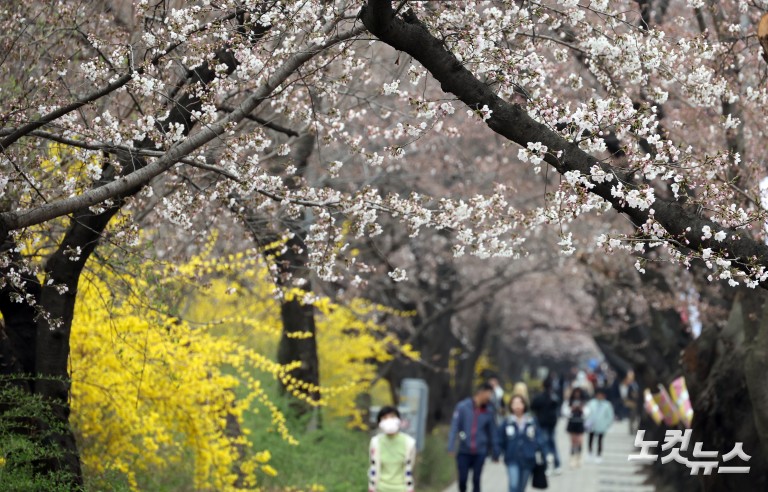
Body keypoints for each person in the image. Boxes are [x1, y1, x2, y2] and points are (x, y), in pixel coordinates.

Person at [448, 383, 499, 492]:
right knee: (462, 479)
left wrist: (495, 451)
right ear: (481, 392)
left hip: (480, 451)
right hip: (464, 450)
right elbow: (455, 427)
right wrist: (451, 445)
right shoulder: (462, 407)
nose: (489, 398)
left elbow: (492, 432)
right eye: (488, 394)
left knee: (476, 479)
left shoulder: (489, 411)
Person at [494, 394, 545, 492]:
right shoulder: (507, 422)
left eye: (519, 403)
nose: (517, 406)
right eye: (514, 403)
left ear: (524, 405)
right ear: (511, 406)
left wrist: (539, 449)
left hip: (528, 458)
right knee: (513, 484)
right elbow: (499, 438)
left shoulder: (531, 421)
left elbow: (539, 436)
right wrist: (497, 452)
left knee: (522, 486)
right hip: (512, 458)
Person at [368, 406, 417, 492]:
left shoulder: (409, 443)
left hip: (402, 489)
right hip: (380, 488)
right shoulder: (375, 442)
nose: (389, 420)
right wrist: (372, 488)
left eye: (392, 417)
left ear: (399, 420)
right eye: (385, 418)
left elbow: (410, 465)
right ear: (380, 422)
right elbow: (373, 466)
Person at [530, 377, 562, 474]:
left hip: (542, 424)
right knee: (551, 444)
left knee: (544, 445)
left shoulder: (541, 397)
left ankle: (547, 465)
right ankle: (556, 465)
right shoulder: (553, 396)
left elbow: (533, 406)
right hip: (550, 424)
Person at [585, 387, 615, 464]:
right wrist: (586, 422)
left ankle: (599, 455)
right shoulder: (591, 403)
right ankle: (590, 453)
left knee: (600, 441)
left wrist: (608, 424)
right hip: (591, 425)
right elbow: (587, 413)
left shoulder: (607, 405)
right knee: (590, 439)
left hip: (602, 425)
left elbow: (610, 416)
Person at [565, 387, 587, 468]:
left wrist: (582, 409)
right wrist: (572, 409)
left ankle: (579, 457)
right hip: (572, 422)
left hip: (580, 422)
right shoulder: (570, 402)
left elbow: (587, 413)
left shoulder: (583, 402)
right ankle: (572, 458)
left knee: (580, 441)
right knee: (573, 442)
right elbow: (565, 412)